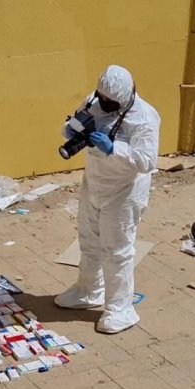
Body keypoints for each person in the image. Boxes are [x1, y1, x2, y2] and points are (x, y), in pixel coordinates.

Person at [54, 65, 160, 334]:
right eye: (101, 98)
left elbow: (147, 160)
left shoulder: (145, 117)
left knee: (116, 250)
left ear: (124, 98)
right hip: (94, 183)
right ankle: (89, 290)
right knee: (89, 240)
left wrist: (115, 148)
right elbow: (75, 122)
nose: (104, 104)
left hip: (124, 192)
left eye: (110, 102)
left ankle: (120, 308)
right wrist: (72, 130)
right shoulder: (95, 100)